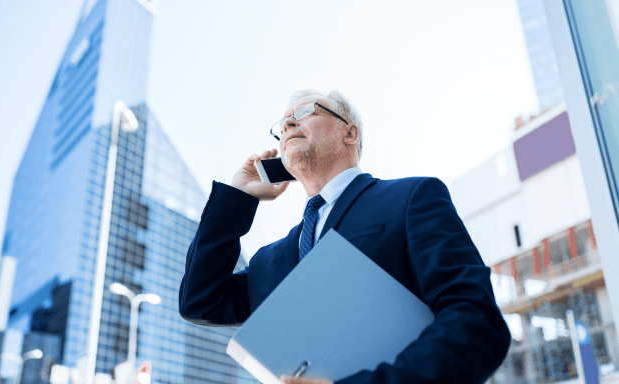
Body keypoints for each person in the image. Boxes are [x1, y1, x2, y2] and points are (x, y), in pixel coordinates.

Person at [179, 89, 511, 384]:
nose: (288, 125)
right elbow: (201, 300)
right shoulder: (270, 260)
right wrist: (238, 197)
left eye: (304, 113)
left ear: (349, 133)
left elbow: (475, 324)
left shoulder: (410, 199)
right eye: (282, 125)